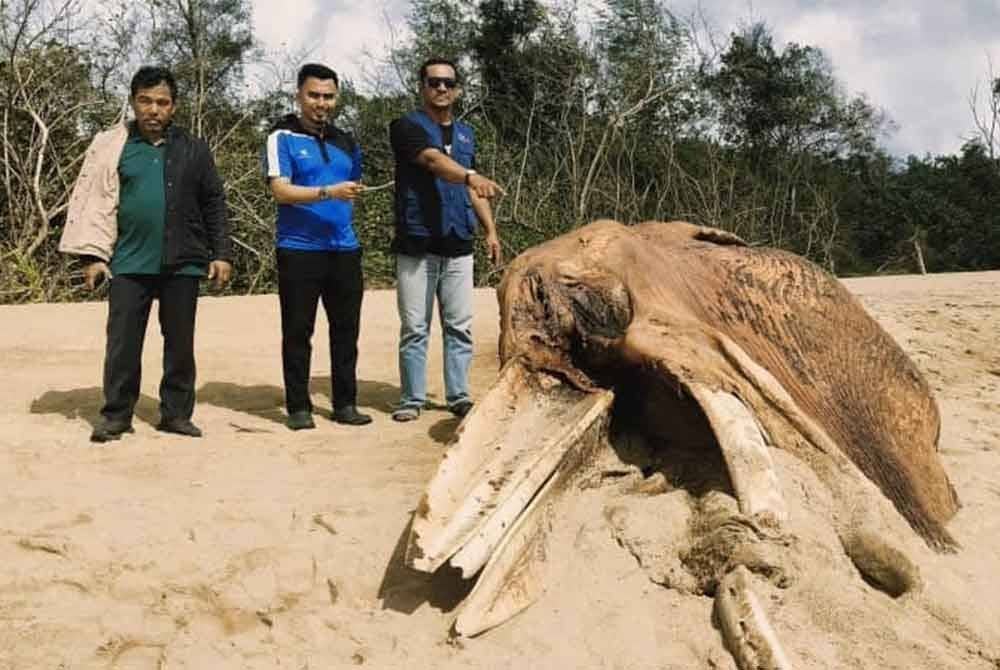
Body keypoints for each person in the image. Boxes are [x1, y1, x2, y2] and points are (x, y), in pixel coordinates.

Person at [58, 65, 233, 443]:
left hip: (184, 261)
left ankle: (176, 415)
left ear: (174, 107)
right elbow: (94, 204)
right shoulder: (112, 147)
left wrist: (221, 253)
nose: (154, 109)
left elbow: (214, 202)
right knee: (122, 343)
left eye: (162, 102)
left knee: (180, 345)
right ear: (133, 102)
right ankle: (116, 416)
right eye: (146, 101)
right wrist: (94, 257)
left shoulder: (193, 149)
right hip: (128, 261)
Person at [389, 58, 504, 422]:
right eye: (434, 82)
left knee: (459, 325)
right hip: (418, 242)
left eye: (448, 83)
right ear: (422, 86)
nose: (441, 89)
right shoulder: (406, 127)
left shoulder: (468, 133)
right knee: (415, 327)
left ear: (457, 89)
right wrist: (471, 176)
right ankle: (411, 399)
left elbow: (475, 191)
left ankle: (458, 395)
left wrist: (490, 230)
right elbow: (435, 162)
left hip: (458, 243)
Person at [263, 63, 372, 430]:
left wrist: (342, 201)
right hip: (298, 249)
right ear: (298, 94)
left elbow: (352, 190)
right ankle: (298, 407)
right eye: (313, 95)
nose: (321, 103)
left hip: (344, 249)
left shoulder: (348, 141)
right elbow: (280, 190)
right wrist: (327, 192)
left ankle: (345, 403)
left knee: (346, 331)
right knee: (298, 331)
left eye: (328, 96)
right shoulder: (281, 137)